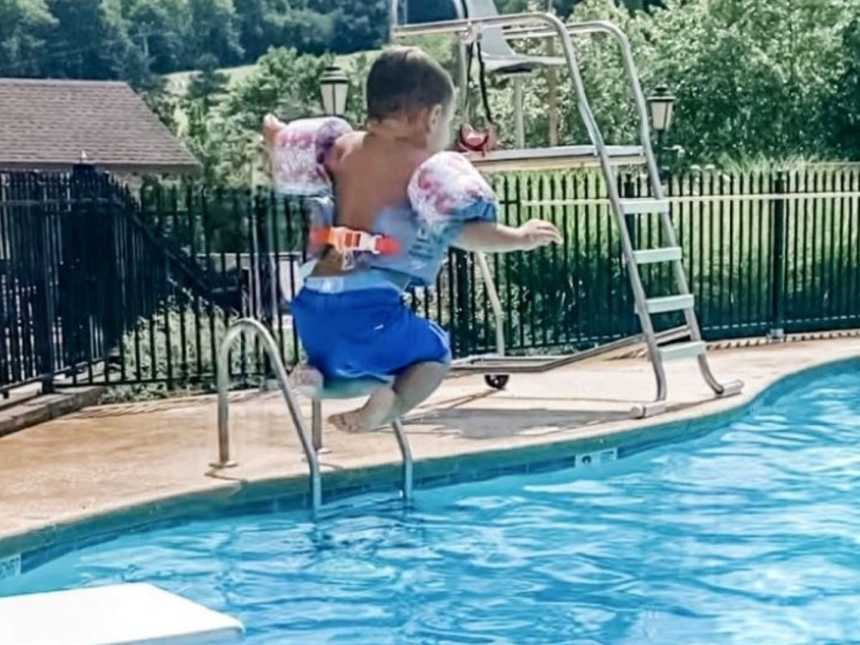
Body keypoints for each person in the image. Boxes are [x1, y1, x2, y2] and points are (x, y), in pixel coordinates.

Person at [263, 46, 560, 433]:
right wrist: (519, 237)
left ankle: (314, 376)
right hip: (368, 307)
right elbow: (461, 231)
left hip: (311, 301)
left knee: (341, 373)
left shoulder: (340, 150)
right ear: (433, 116)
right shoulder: (421, 169)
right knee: (433, 355)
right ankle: (389, 407)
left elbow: (279, 143)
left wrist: (275, 133)